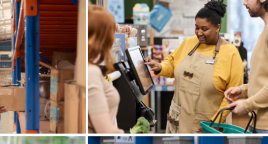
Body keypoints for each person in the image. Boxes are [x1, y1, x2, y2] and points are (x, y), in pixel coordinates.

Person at [145, 0, 243, 133]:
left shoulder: (231, 53)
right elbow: (172, 64)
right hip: (177, 123)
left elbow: (231, 97)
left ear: (218, 27)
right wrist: (160, 67)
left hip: (207, 126)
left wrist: (212, 125)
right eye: (197, 27)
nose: (199, 33)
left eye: (205, 29)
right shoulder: (189, 42)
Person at [225, 0, 268, 133]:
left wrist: (246, 105)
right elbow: (263, 79)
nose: (244, 3)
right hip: (257, 123)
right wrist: (242, 90)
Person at [88, 5, 124, 134]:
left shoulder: (87, 67)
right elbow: (105, 131)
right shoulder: (91, 72)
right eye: (111, 33)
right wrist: (122, 134)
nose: (114, 38)